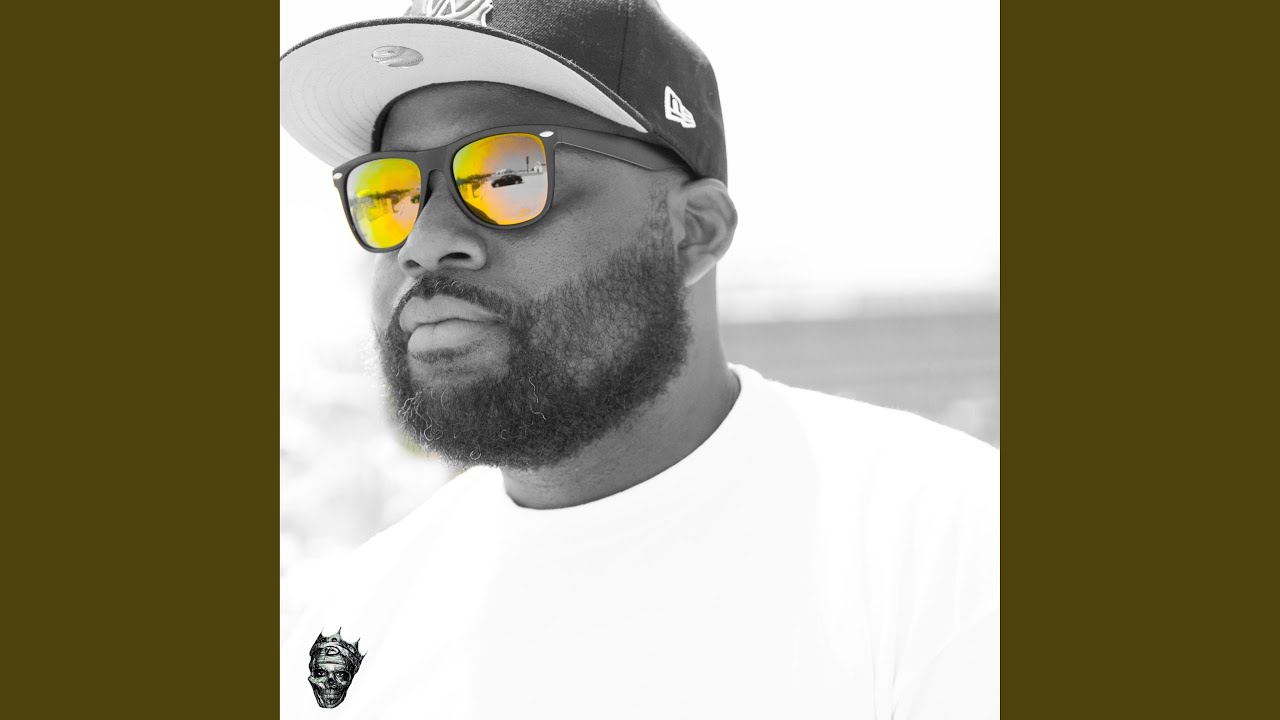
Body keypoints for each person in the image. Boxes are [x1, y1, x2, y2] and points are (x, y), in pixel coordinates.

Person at [279, 1, 998, 718]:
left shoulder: (943, 552)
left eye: (508, 176)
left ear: (693, 233)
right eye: (393, 194)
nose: (423, 242)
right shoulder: (357, 624)